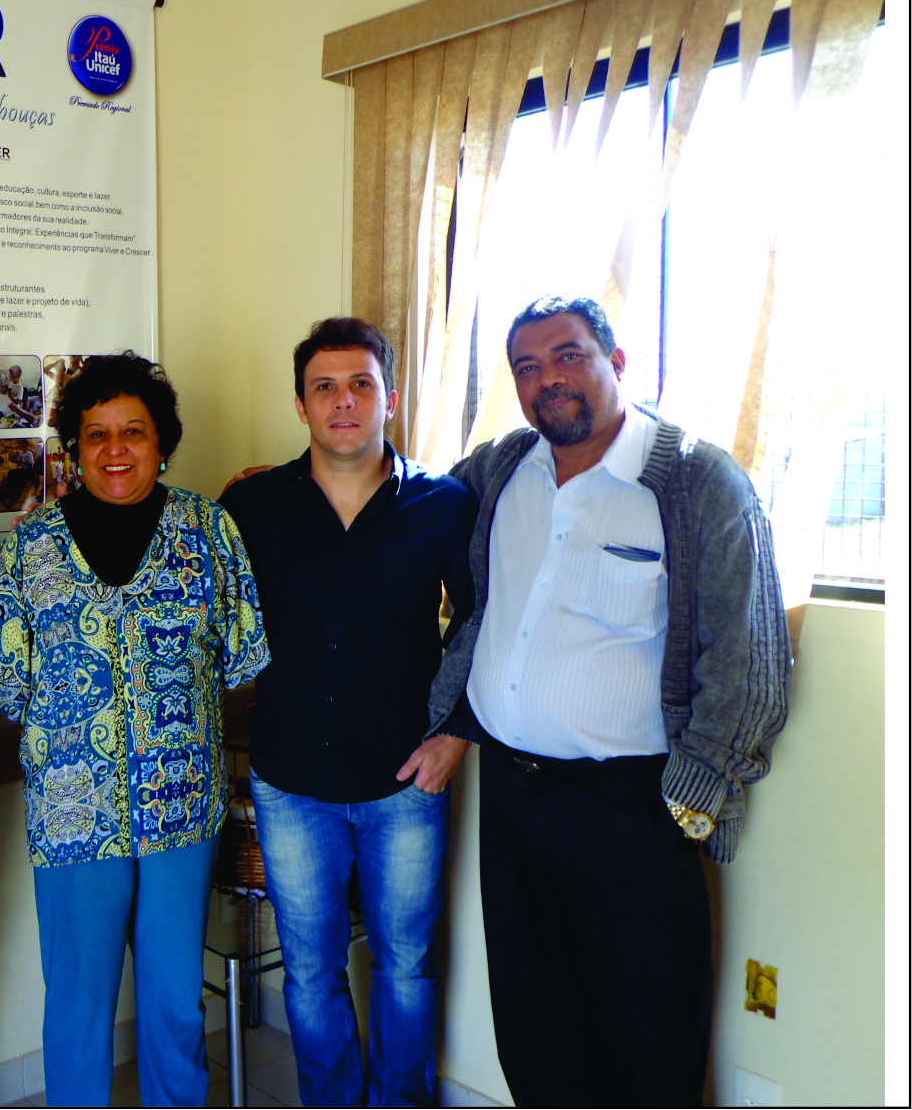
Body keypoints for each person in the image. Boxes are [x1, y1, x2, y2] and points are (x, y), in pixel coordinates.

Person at [430, 296, 791, 1106]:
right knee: (534, 1025)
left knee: (647, 1038)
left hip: (632, 810)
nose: (545, 379)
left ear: (617, 362)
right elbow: (423, 531)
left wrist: (689, 800)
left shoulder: (695, 482)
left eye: (566, 356)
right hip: (512, 802)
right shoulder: (500, 469)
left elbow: (751, 661)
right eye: (526, 366)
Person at [0, 352, 271, 1107]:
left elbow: (241, 658)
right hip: (73, 813)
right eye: (96, 432)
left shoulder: (208, 531)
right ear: (73, 444)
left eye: (132, 430)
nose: (114, 448)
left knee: (172, 1001)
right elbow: (0, 676)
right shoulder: (32, 548)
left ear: (160, 439)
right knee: (77, 1003)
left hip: (180, 806)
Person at [220, 317, 475, 1107]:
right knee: (309, 969)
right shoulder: (252, 503)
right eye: (323, 386)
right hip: (289, 778)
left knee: (404, 965)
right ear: (299, 405)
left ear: (388, 397)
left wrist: (456, 735)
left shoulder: (443, 504)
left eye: (360, 383)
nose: (342, 401)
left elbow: (478, 621)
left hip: (402, 777)